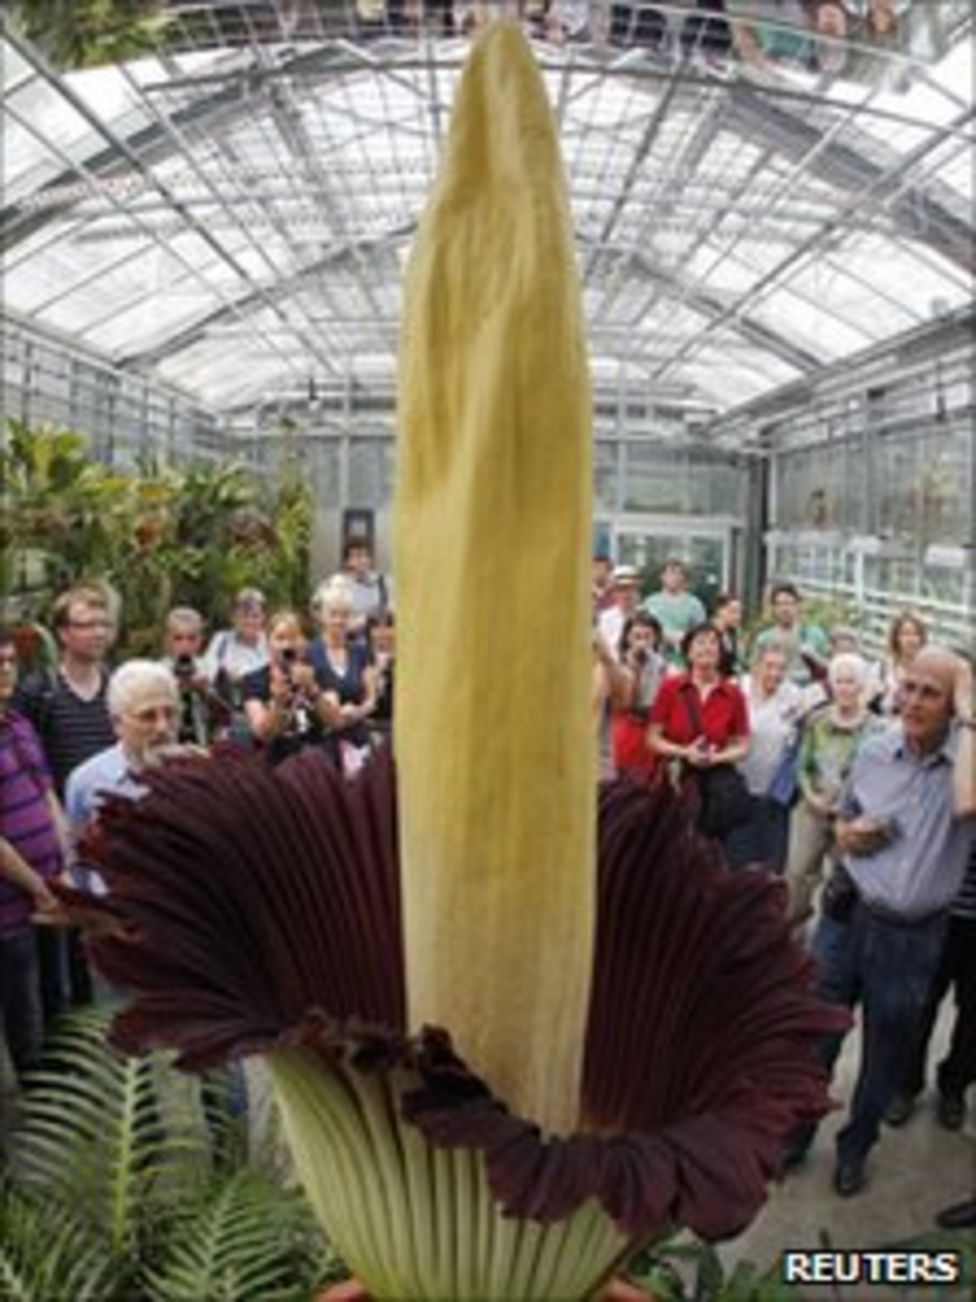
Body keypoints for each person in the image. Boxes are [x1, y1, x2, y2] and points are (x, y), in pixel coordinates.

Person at [787, 647, 974, 1197]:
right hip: (848, 918)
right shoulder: (874, 750)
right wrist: (847, 835)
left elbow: (968, 806)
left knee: (883, 1056)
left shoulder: (965, 765)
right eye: (908, 687)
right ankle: (793, 1139)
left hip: (912, 938)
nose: (912, 702)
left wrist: (971, 709)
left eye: (931, 693)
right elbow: (842, 819)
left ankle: (855, 1148)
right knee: (817, 1040)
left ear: (954, 705)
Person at [14, 584, 115, 1013]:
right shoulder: (40, 693)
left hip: (115, 838)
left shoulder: (119, 686)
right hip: (61, 837)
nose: (97, 632)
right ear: (63, 633)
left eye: (103, 623)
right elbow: (27, 766)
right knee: (64, 949)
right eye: (85, 624)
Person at [0, 627, 69, 1086]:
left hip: (50, 892)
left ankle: (65, 1098)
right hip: (11, 905)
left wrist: (63, 863)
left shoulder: (18, 723)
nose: (6, 668)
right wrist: (36, 886)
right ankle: (39, 1119)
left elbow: (48, 792)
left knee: (58, 1000)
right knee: (23, 1013)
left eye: (10, 660)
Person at [65, 661, 182, 893]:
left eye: (170, 713)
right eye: (148, 716)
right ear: (117, 724)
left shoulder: (201, 776)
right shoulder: (86, 781)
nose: (163, 727)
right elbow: (78, 860)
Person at [886, 843, 976, 1132]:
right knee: (920, 1003)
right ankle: (906, 1083)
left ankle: (954, 1086)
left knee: (974, 1015)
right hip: (939, 911)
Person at [784, 653, 880, 925]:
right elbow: (802, 765)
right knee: (797, 874)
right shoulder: (817, 720)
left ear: (861, 686)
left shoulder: (876, 728)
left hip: (850, 817)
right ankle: (790, 935)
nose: (845, 687)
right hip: (812, 810)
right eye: (839, 681)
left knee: (842, 881)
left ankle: (832, 941)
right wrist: (811, 796)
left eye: (851, 681)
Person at [648, 623, 750, 856]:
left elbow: (743, 745)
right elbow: (653, 738)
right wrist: (685, 752)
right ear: (688, 652)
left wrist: (716, 757)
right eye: (701, 642)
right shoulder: (671, 688)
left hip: (716, 790)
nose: (708, 647)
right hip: (677, 781)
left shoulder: (733, 694)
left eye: (713, 642)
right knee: (672, 850)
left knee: (711, 853)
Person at [730, 642, 805, 874]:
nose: (775, 673)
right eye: (769, 666)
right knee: (737, 862)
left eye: (781, 668)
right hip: (737, 790)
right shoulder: (736, 689)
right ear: (755, 666)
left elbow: (800, 742)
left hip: (774, 796)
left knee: (771, 866)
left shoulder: (794, 696)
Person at [242, 611, 341, 767]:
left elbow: (335, 721)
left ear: (304, 642)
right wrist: (278, 702)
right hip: (275, 764)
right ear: (268, 643)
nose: (287, 645)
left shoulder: (322, 674)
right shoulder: (254, 680)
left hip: (317, 762)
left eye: (294, 637)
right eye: (280, 638)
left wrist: (313, 690)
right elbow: (263, 734)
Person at [308, 582, 378, 775]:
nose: (339, 620)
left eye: (345, 614)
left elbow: (372, 700)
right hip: (321, 744)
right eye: (333, 614)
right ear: (322, 616)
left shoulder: (361, 651)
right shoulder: (309, 652)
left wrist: (355, 712)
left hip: (357, 742)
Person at [200, 589, 270, 728]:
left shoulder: (271, 641)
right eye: (244, 616)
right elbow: (207, 672)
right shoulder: (221, 640)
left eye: (255, 616)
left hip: (265, 707)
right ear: (233, 617)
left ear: (263, 618)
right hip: (232, 709)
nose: (249, 621)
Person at [610, 614, 666, 783]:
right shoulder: (616, 665)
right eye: (637, 636)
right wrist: (634, 670)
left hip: (653, 730)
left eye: (648, 636)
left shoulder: (661, 665)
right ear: (627, 638)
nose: (642, 642)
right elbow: (624, 704)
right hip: (627, 729)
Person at [160, 606, 227, 746]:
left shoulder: (211, 669)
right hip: (167, 745)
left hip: (203, 743)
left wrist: (206, 691)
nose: (185, 645)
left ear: (200, 640)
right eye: (178, 638)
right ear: (167, 640)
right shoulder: (157, 672)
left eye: (191, 639)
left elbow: (226, 716)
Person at [753, 581, 830, 687]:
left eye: (789, 603)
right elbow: (756, 671)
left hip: (807, 694)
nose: (784, 609)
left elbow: (829, 668)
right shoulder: (764, 639)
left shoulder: (814, 635)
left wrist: (813, 656)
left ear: (797, 605)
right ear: (773, 608)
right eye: (779, 604)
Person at [641, 559, 706, 667]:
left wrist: (685, 637)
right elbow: (642, 628)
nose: (674, 577)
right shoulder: (650, 603)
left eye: (678, 573)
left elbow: (701, 633)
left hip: (684, 660)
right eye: (670, 572)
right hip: (654, 660)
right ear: (662, 576)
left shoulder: (694, 605)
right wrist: (664, 635)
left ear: (683, 577)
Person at [329, 540, 391, 638]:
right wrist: (366, 619)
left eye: (365, 555)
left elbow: (393, 612)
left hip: (379, 642)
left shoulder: (383, 582)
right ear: (347, 562)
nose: (362, 560)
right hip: (352, 643)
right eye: (357, 556)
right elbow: (331, 619)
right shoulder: (339, 585)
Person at [881, 610, 927, 715]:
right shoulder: (885, 667)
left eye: (916, 634)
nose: (911, 639)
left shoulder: (928, 667)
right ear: (896, 638)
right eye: (905, 634)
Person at [597, 566, 642, 658]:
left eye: (631, 589)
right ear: (614, 593)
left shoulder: (648, 616)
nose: (626, 594)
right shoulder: (605, 619)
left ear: (637, 591)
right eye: (621, 590)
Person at [366, 611, 396, 740]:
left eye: (388, 626)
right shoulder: (362, 658)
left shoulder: (405, 659)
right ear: (369, 632)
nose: (382, 632)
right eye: (376, 627)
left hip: (396, 725)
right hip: (370, 727)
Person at [712, 592, 744, 678]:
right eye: (733, 612)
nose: (738, 617)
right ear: (720, 611)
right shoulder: (709, 633)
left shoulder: (733, 633)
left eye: (739, 612)